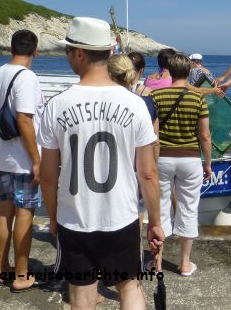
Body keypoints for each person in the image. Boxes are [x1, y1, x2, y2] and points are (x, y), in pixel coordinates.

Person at [39, 17, 164, 310]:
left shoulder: (56, 105)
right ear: (109, 52)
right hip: (121, 218)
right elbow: (147, 174)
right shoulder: (134, 104)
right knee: (129, 288)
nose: (67, 56)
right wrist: (155, 223)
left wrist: (55, 217)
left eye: (68, 50)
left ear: (80, 54)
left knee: (81, 295)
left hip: (75, 219)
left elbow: (47, 176)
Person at [0, 29, 43, 291]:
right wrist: (37, 159)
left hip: (0, 156)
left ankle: (1, 270)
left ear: (10, 49)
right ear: (36, 51)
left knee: (3, 211)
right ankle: (21, 275)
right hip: (22, 159)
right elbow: (25, 120)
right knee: (25, 212)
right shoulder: (27, 77)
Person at [150, 53, 212, 276]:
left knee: (160, 209)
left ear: (170, 70)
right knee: (188, 208)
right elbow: (204, 135)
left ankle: (157, 263)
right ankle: (185, 264)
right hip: (190, 159)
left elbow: (153, 134)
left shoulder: (156, 95)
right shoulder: (198, 98)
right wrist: (208, 163)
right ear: (188, 72)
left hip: (163, 158)